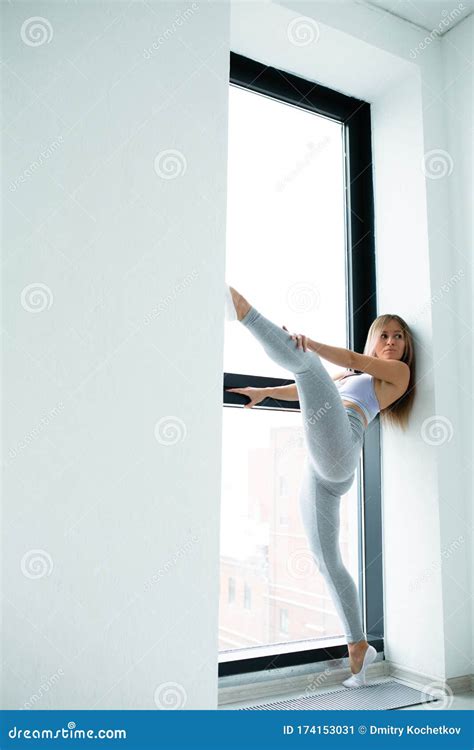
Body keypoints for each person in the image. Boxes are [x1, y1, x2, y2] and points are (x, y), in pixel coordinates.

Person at [224, 285, 416, 687]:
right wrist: (265, 393)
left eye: (399, 336)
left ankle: (243, 311)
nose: (393, 342)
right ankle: (359, 647)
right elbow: (305, 389)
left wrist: (307, 344)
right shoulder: (351, 375)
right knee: (327, 559)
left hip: (343, 445)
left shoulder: (397, 374)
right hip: (322, 471)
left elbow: (333, 360)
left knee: (306, 362)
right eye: (385, 335)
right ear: (374, 339)